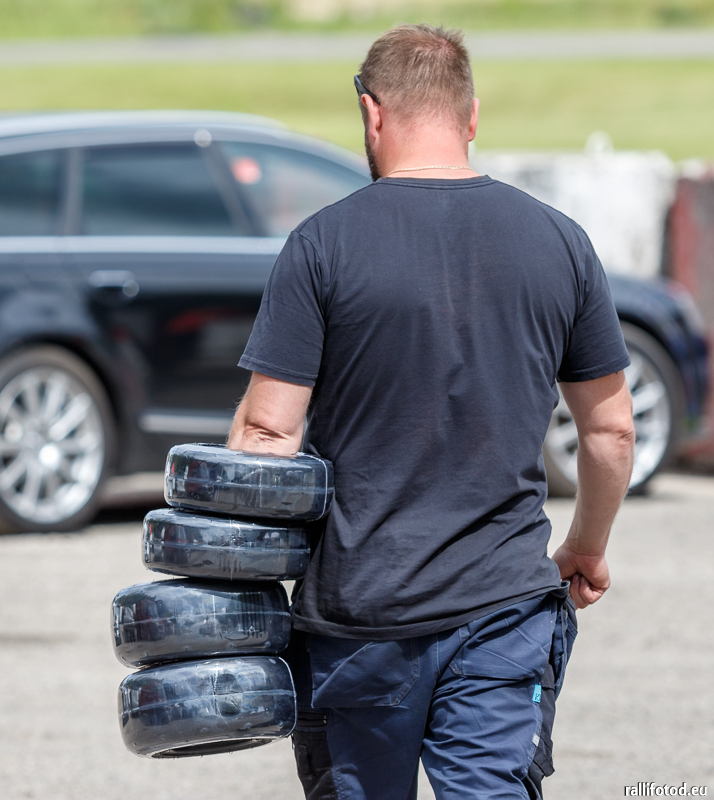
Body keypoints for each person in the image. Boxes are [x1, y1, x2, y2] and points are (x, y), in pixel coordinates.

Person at [227, 24, 636, 800]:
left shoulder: (321, 245)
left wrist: (230, 583)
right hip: (504, 610)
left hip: (358, 618)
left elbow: (266, 433)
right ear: (471, 115)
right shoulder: (561, 242)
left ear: (371, 112)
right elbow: (611, 430)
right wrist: (586, 546)